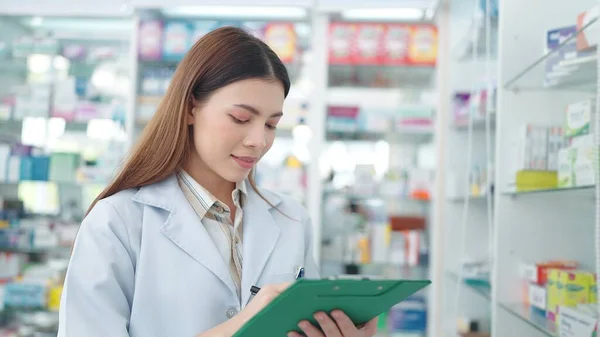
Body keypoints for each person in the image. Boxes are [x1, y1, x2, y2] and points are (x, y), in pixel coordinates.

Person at [57, 27, 378, 337]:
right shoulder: (118, 222)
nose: (258, 141)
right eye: (241, 119)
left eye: (271, 124)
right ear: (191, 108)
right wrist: (243, 324)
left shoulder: (292, 220)